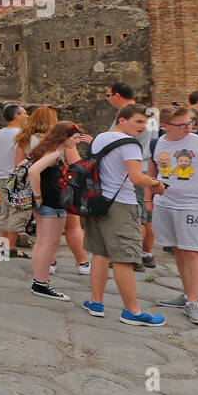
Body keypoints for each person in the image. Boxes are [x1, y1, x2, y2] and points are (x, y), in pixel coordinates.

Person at [81, 104, 166, 326]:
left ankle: (95, 302)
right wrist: (157, 183)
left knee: (100, 253)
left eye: (145, 122)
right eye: (138, 121)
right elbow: (137, 178)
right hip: (121, 205)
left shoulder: (100, 138)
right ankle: (132, 311)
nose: (143, 126)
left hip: (96, 202)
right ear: (122, 120)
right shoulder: (130, 145)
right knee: (124, 258)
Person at [15, 105, 90, 273]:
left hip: (37, 190)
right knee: (73, 227)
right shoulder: (60, 141)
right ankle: (82, 262)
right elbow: (76, 164)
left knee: (42, 229)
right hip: (58, 189)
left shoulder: (25, 139)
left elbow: (19, 166)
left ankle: (49, 263)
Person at [149, 106, 198, 324]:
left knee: (193, 252)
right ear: (165, 126)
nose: (188, 127)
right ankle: (186, 294)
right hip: (165, 203)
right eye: (181, 124)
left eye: (189, 122)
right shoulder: (158, 142)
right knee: (178, 250)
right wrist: (149, 198)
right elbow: (152, 169)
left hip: (193, 204)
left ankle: (194, 302)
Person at [26, 121, 84, 300]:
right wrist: (37, 196)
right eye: (74, 138)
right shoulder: (55, 153)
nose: (76, 142)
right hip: (51, 204)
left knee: (42, 243)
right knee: (49, 244)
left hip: (47, 204)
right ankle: (41, 284)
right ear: (64, 137)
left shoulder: (47, 150)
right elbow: (33, 171)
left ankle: (39, 280)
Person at [105, 81, 157, 269]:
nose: (107, 99)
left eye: (108, 95)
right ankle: (147, 254)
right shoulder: (148, 115)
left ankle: (133, 258)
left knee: (135, 216)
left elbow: (116, 142)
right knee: (145, 214)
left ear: (117, 95)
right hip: (145, 166)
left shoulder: (128, 117)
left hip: (132, 168)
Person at [0, 104, 30, 257]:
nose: (27, 116)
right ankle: (11, 248)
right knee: (18, 213)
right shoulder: (21, 135)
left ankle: (2, 245)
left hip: (1, 177)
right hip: (17, 177)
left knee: (5, 212)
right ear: (16, 116)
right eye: (25, 113)